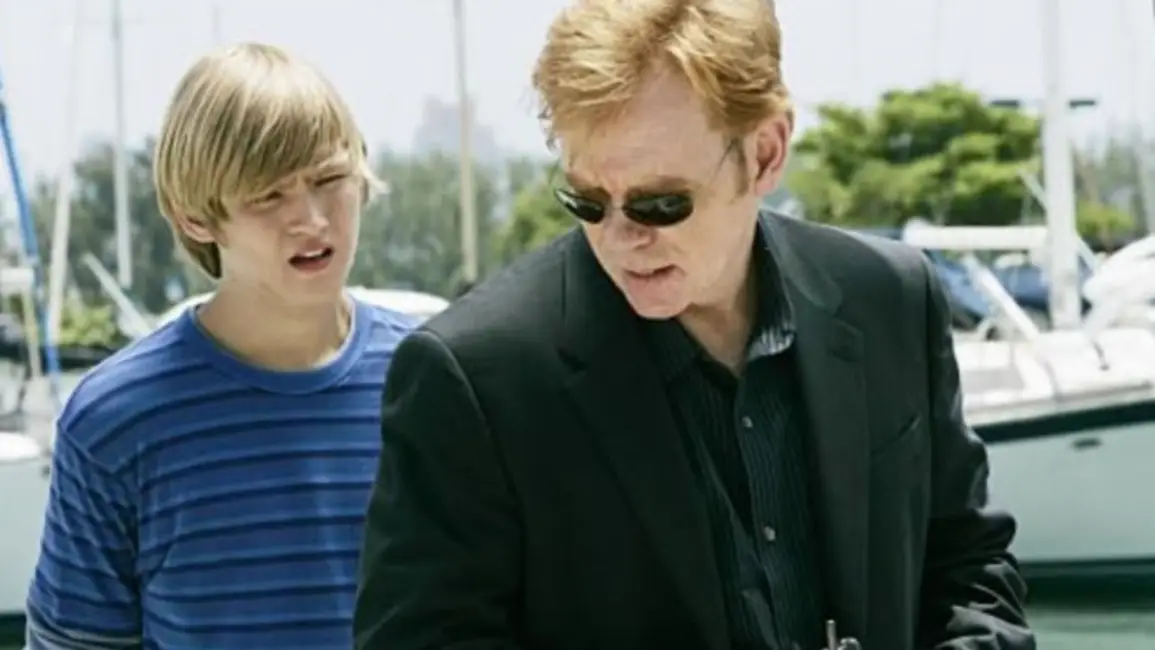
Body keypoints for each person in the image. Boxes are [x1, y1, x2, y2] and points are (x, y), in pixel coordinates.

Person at [355, 1, 1035, 649]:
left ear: (766, 153)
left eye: (659, 203)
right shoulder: (473, 376)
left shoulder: (891, 299)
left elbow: (970, 569)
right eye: (586, 201)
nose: (620, 239)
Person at [25, 43, 414, 650]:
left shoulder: (429, 380)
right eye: (269, 195)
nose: (312, 218)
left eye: (329, 179)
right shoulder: (115, 420)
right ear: (195, 219)